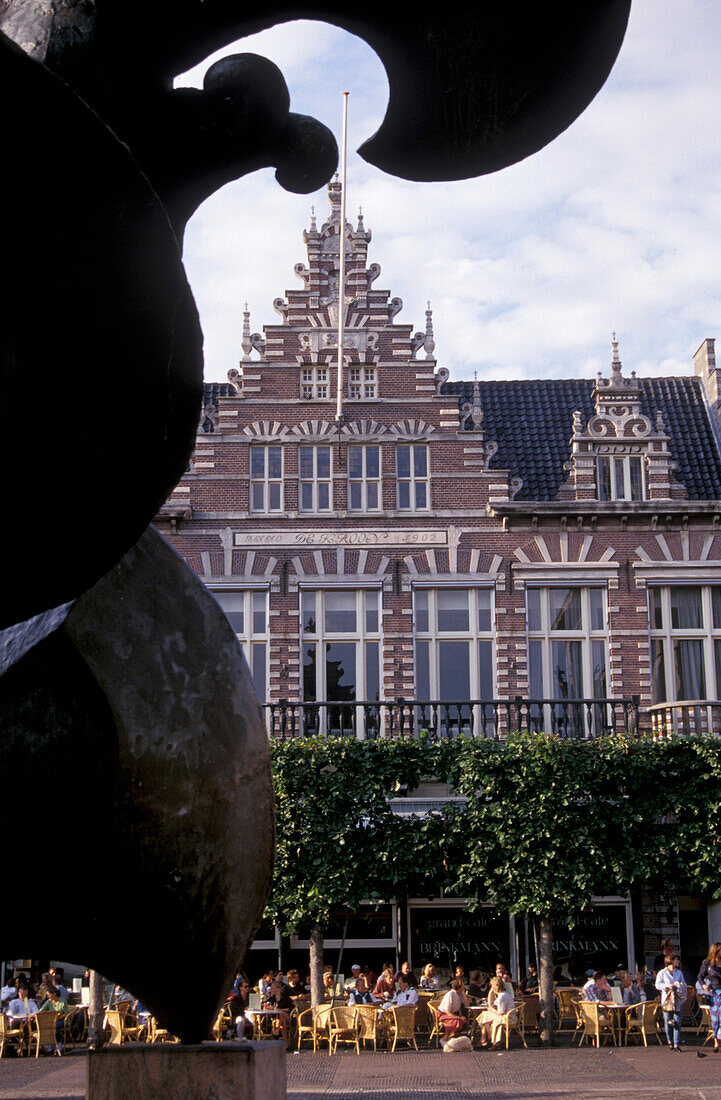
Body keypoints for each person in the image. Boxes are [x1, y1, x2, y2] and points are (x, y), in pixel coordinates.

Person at [656, 952, 687, 1051]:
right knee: (668, 1021)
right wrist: (666, 986)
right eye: (676, 959)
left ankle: (676, 1044)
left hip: (677, 998)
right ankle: (670, 1041)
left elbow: (683, 983)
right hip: (667, 1000)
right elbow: (657, 985)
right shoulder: (662, 972)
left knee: (677, 1021)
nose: (678, 961)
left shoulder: (679, 973)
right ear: (671, 961)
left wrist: (679, 985)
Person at [479, 976, 515, 1049]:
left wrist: (492, 1010)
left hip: (508, 1017)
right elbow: (491, 1004)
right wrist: (490, 993)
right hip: (505, 1016)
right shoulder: (503, 994)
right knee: (485, 1016)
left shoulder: (502, 996)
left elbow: (500, 1012)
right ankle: (493, 1041)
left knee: (486, 1017)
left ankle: (493, 1041)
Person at [698, 942, 721, 1052]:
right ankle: (716, 1040)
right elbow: (700, 976)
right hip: (714, 993)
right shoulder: (707, 963)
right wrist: (703, 985)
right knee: (715, 1018)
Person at [437, 978, 469, 1043]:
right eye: (463, 985)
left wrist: (463, 993)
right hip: (443, 1014)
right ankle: (446, 1037)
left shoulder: (460, 994)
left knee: (463, 1019)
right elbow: (447, 1012)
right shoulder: (451, 994)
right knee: (458, 1020)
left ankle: (452, 1036)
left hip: (452, 1013)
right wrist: (458, 1017)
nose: (464, 986)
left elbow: (467, 1005)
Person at [265, 980, 294, 1048]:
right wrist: (270, 1007)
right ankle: (286, 1044)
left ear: (277, 989)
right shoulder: (272, 999)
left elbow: (290, 1008)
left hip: (287, 1016)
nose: (272, 990)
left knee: (281, 1014)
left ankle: (277, 1030)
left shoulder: (285, 997)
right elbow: (266, 1005)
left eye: (273, 988)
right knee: (282, 1022)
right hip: (279, 1019)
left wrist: (279, 1010)